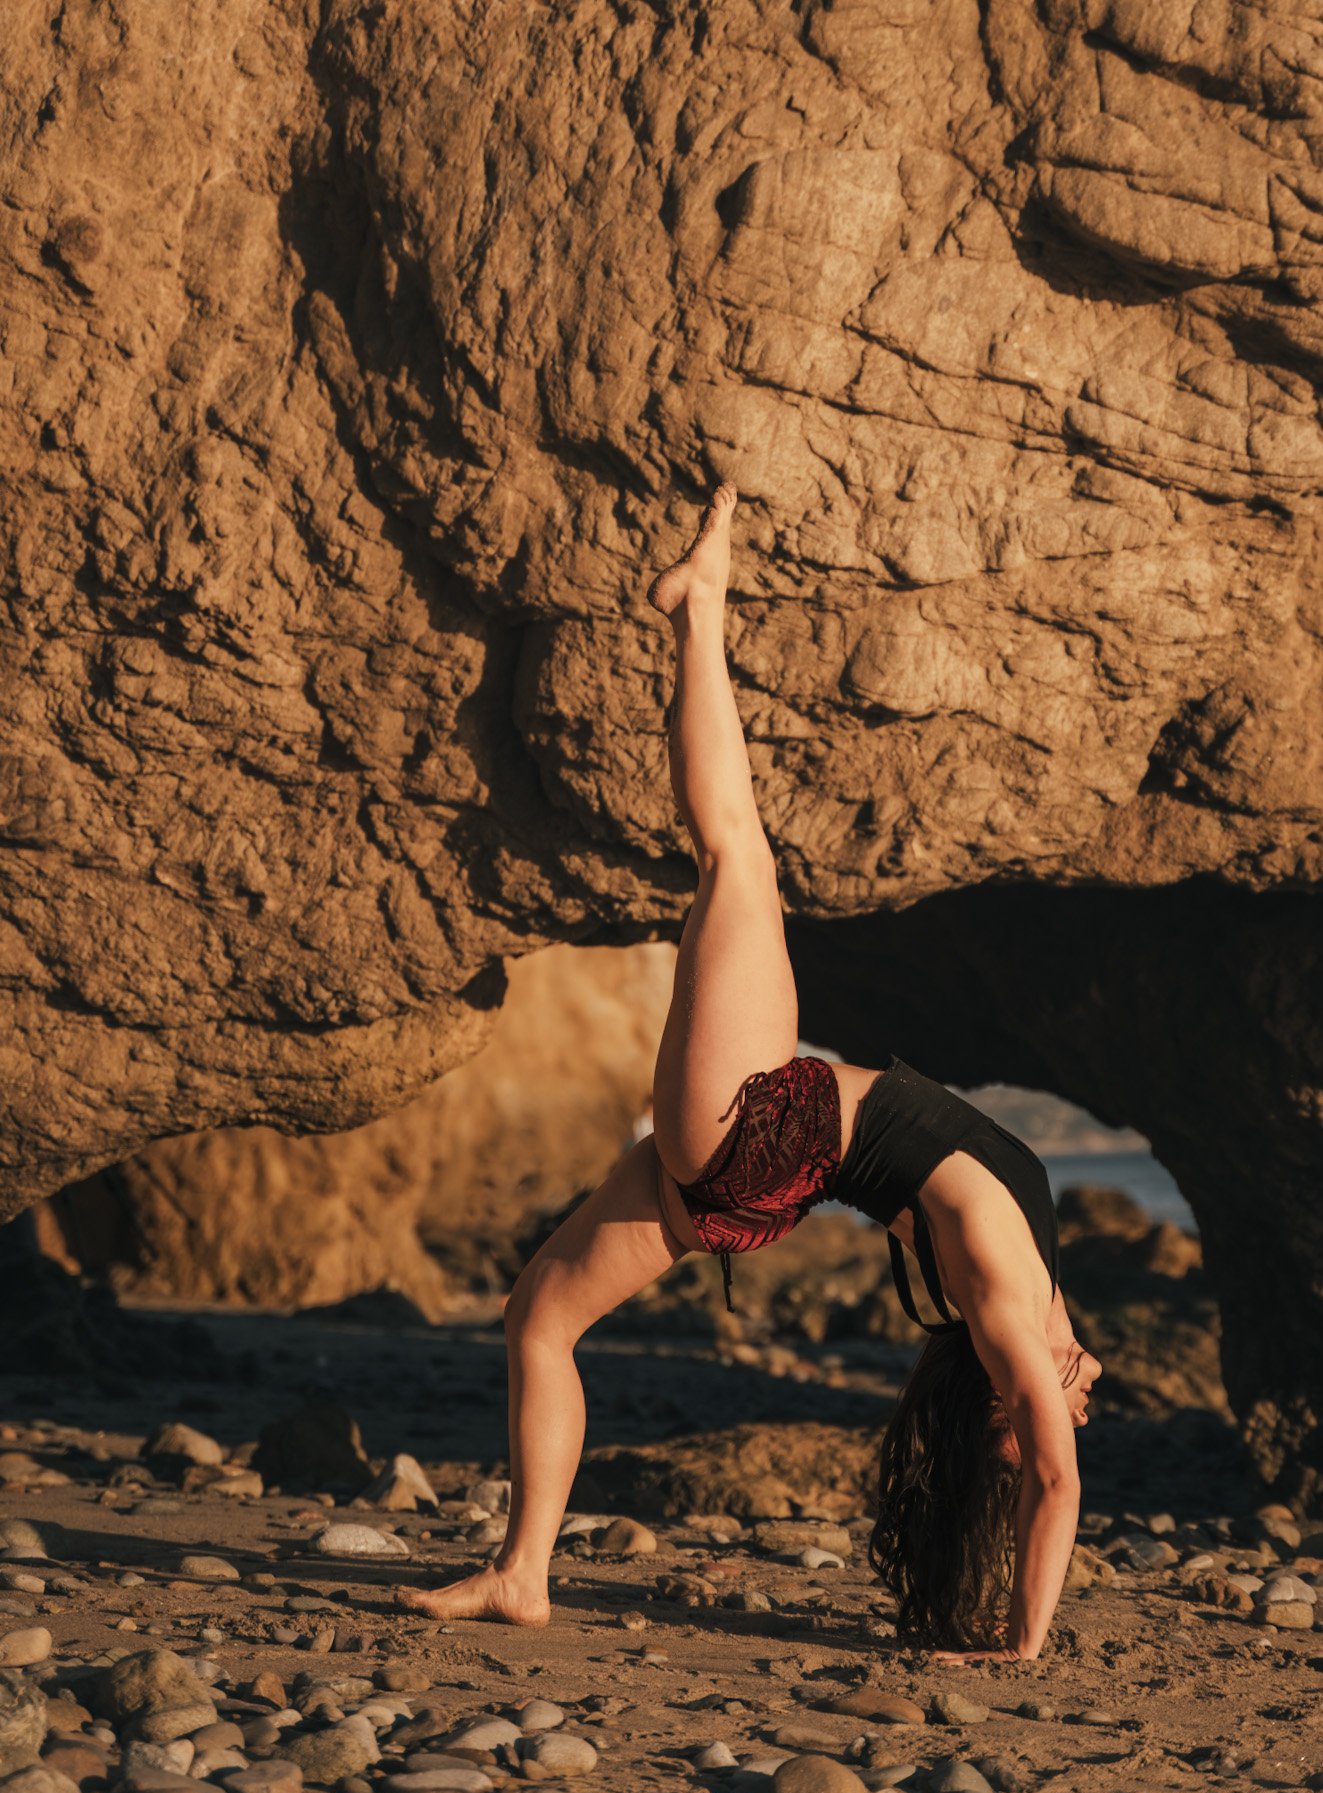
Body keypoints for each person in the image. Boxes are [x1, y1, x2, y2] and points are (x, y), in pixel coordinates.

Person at [398, 485, 1101, 1661]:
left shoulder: (1004, 1303)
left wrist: (1025, 1643)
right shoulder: (1016, 1288)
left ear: (1008, 1409)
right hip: (759, 1173)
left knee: (736, 854)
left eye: (1033, 1421)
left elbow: (1060, 1486)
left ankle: (700, 604)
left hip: (764, 1125)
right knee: (536, 1320)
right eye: (1062, 1406)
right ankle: (522, 1572)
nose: (1073, 1411)